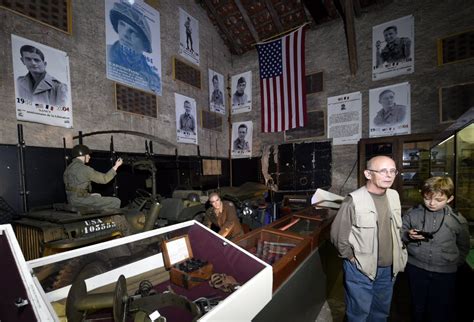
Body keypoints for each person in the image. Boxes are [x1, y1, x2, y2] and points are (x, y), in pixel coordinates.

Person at [330, 155, 407, 322]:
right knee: (358, 314)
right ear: (368, 174)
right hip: (360, 269)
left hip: (388, 269)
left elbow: (395, 228)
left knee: (380, 312)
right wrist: (352, 258)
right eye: (383, 171)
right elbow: (338, 236)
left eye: (393, 171)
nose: (389, 175)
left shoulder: (394, 195)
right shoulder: (353, 200)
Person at [401, 177, 469, 322]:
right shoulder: (413, 213)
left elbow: (464, 245)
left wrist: (454, 263)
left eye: (439, 200)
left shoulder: (457, 220)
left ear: (450, 199)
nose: (432, 203)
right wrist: (407, 235)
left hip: (445, 273)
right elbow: (400, 232)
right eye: (427, 198)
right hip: (416, 268)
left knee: (440, 309)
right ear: (422, 195)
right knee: (417, 306)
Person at [107, 1, 161, 93]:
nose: (124, 34)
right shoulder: (106, 54)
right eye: (122, 24)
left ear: (144, 44)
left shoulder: (153, 78)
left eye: (133, 31)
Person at [64, 144, 123, 209]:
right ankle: (107, 219)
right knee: (115, 201)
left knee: (97, 196)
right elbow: (104, 179)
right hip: (79, 201)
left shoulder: (68, 169)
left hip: (71, 200)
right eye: (88, 155)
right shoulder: (84, 169)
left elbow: (75, 189)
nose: (89, 157)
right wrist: (116, 166)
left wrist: (89, 195)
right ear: (83, 155)